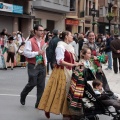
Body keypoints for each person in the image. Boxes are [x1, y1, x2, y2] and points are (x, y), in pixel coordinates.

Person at [37, 31, 81, 119]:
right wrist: (73, 65)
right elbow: (59, 61)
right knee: (60, 92)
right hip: (61, 71)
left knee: (67, 92)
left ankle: (66, 112)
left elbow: (71, 60)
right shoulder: (60, 46)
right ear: (66, 37)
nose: (72, 36)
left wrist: (78, 63)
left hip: (68, 71)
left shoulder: (70, 47)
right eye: (70, 35)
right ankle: (50, 109)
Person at [20, 24, 47, 108]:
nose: (42, 32)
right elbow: (25, 53)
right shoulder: (30, 41)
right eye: (40, 30)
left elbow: (44, 53)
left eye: (42, 30)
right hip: (33, 65)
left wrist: (46, 61)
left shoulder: (43, 41)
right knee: (32, 83)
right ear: (35, 31)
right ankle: (23, 94)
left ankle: (38, 103)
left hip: (42, 65)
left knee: (41, 85)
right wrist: (36, 53)